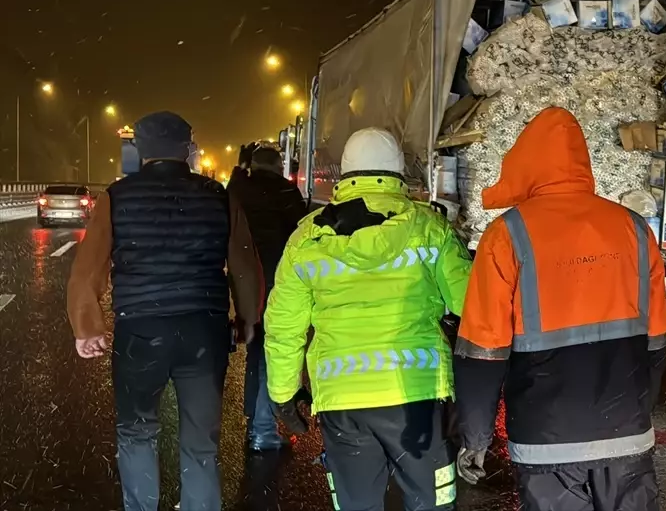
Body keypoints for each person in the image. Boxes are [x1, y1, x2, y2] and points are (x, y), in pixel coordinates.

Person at [453, 107, 666, 511]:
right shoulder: (635, 229)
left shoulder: (507, 234)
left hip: (546, 442)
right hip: (627, 431)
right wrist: (639, 408)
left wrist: (476, 438)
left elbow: (481, 353)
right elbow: (657, 342)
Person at [264, 127, 472, 511]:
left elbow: (283, 327)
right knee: (432, 504)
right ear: (398, 172)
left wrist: (282, 394)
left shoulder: (306, 240)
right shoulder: (430, 229)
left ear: (345, 173)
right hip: (418, 394)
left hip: (343, 400)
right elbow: (471, 308)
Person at [67, 111, 263, 511]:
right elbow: (245, 266)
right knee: (200, 441)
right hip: (203, 333)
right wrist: (247, 320)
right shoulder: (219, 195)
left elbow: (88, 268)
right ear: (188, 149)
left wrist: (88, 326)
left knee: (137, 434)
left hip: (140, 332)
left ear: (139, 149)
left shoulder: (117, 197)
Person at [227, 143, 308, 451]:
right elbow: (300, 234)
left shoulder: (240, 189)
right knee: (268, 356)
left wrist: (239, 166)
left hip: (247, 282)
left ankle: (255, 420)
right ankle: (262, 430)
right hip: (278, 284)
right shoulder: (286, 194)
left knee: (256, 351)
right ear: (278, 166)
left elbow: (234, 188)